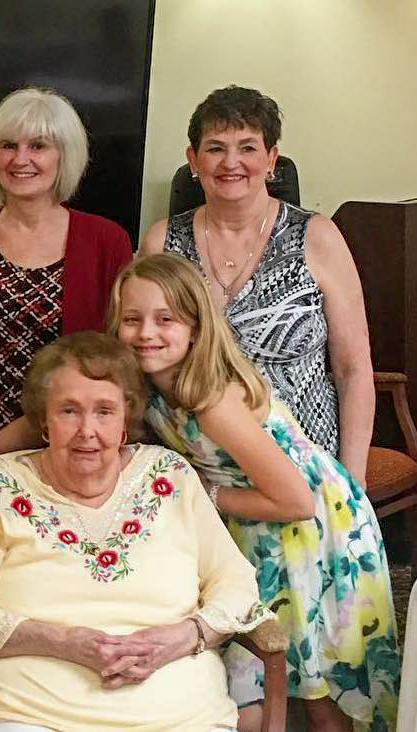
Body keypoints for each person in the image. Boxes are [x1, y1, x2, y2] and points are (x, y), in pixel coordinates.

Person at [110, 253, 399, 731]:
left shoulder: (212, 401)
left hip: (313, 532)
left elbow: (297, 501)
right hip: (257, 529)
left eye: (166, 320)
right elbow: (57, 400)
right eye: (132, 319)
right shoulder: (149, 387)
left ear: (197, 329)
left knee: (321, 687)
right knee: (269, 676)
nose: (146, 333)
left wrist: (209, 497)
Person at [0, 331, 271, 731]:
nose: (87, 430)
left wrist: (183, 637)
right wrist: (65, 643)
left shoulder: (169, 475)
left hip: (179, 716)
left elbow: (236, 584)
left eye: (104, 411)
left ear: (126, 421)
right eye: (69, 411)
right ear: (43, 419)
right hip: (28, 714)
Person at [139, 85, 373, 483]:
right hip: (197, 472)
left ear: (271, 160)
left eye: (248, 147)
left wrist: (353, 481)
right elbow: (140, 359)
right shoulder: (163, 242)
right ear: (193, 160)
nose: (232, 162)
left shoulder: (317, 237)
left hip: (304, 468)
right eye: (215, 148)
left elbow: (353, 370)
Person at [0, 87, 131, 468]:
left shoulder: (107, 240)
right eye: (9, 146)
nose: (21, 159)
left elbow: (118, 354)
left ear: (64, 157)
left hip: (69, 443)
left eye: (39, 146)